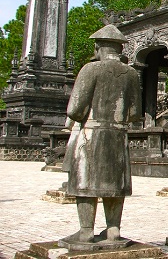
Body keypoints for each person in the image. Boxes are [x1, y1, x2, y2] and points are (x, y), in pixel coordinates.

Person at [62, 24, 141, 245]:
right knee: (115, 184)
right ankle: (113, 228)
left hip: (92, 134)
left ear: (98, 47)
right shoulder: (131, 73)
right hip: (118, 136)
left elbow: (74, 110)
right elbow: (135, 113)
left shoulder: (90, 70)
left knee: (86, 182)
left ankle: (86, 230)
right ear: (120, 49)